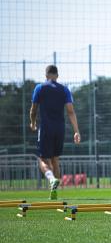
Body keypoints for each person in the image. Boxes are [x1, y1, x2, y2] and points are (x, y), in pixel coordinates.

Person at [29, 65, 81, 200]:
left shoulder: (40, 88)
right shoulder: (64, 89)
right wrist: (76, 131)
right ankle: (54, 191)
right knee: (55, 160)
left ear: (46, 75)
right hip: (60, 128)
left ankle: (51, 179)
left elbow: (33, 109)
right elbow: (70, 111)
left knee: (42, 159)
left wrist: (33, 123)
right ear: (57, 76)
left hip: (46, 128)